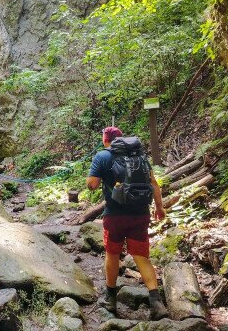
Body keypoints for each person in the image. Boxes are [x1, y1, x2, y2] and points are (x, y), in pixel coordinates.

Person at [86, 126, 168, 320]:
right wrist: (159, 207)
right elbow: (153, 183)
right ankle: (156, 304)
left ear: (105, 139)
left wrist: (94, 180)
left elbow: (92, 185)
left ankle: (110, 298)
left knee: (112, 254)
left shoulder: (102, 157)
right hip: (140, 214)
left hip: (115, 215)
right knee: (142, 257)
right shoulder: (139, 156)